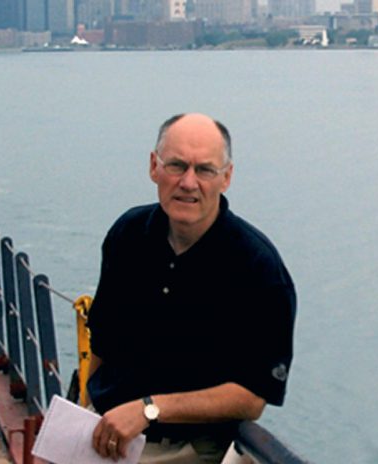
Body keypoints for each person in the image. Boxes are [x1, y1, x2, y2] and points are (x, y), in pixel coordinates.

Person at [86, 113, 296, 463]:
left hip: (187, 450)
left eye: (205, 170)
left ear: (226, 177)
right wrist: (84, 413)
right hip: (103, 431)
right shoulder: (127, 234)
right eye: (176, 165)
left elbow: (253, 395)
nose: (188, 182)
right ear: (154, 167)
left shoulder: (258, 268)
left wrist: (149, 409)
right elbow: (102, 343)